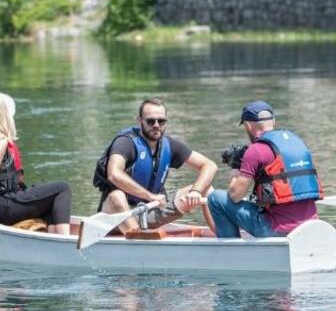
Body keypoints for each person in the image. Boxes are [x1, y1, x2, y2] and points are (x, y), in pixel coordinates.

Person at [0, 92, 72, 235]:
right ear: (4, 116)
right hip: (3, 206)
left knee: (49, 202)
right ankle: (64, 241)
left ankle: (54, 239)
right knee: (62, 188)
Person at [94, 98, 217, 232]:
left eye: (161, 121)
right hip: (118, 215)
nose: (156, 125)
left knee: (207, 189)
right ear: (139, 121)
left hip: (151, 210)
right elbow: (114, 174)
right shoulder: (125, 143)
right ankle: (139, 241)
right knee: (116, 196)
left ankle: (221, 237)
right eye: (150, 121)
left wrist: (195, 192)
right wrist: (150, 196)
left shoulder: (169, 145)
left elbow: (209, 165)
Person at [207, 101, 320, 238]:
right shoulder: (298, 143)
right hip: (311, 227)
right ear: (273, 121)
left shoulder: (256, 150)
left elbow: (235, 196)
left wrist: (236, 167)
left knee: (215, 198)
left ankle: (231, 251)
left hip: (277, 230)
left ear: (248, 125)